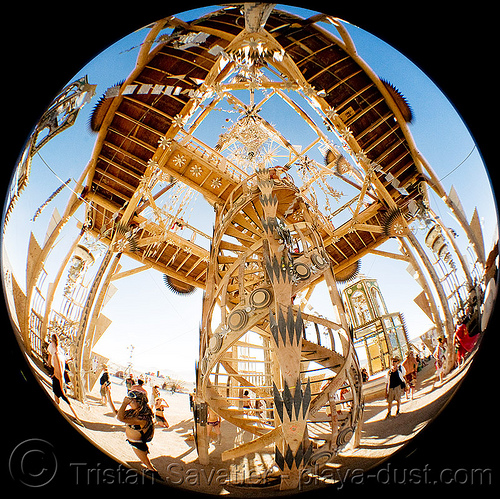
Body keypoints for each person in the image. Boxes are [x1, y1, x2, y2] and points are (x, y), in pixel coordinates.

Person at [116, 390, 161, 481]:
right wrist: (109, 397)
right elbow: (118, 414)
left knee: (146, 462)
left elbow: (120, 418)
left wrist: (124, 404)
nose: (130, 403)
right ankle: (150, 470)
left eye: (132, 401)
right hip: (134, 442)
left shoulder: (141, 417)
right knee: (144, 460)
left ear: (139, 403)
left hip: (137, 443)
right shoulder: (136, 412)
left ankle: (153, 473)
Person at [48, 334, 83, 425]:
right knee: (61, 397)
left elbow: (58, 371)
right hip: (59, 378)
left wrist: (59, 381)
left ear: (52, 342)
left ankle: (76, 417)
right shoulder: (61, 354)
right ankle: (76, 416)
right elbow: (61, 370)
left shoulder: (56, 355)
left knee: (61, 397)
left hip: (58, 379)